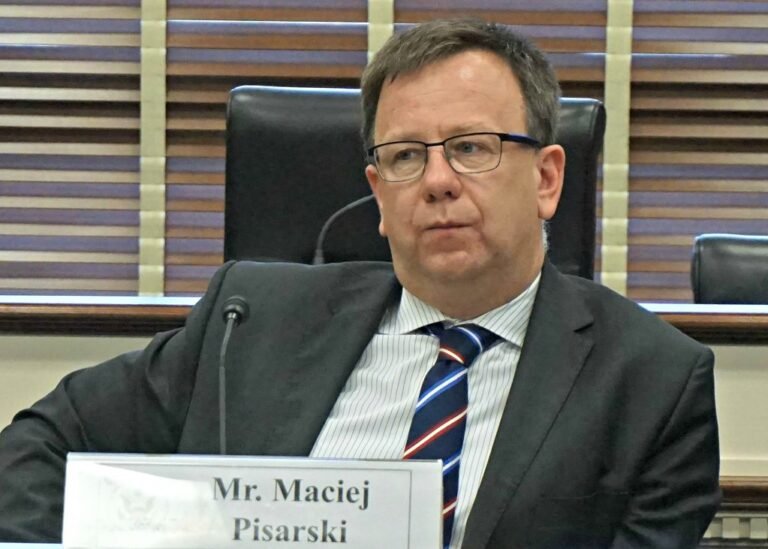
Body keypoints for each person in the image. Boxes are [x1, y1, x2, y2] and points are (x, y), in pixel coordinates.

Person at [0, 18, 719, 548]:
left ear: (547, 178)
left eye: (471, 148)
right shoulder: (249, 320)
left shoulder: (652, 381)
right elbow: (42, 443)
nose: (437, 181)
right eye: (405, 156)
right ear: (378, 193)